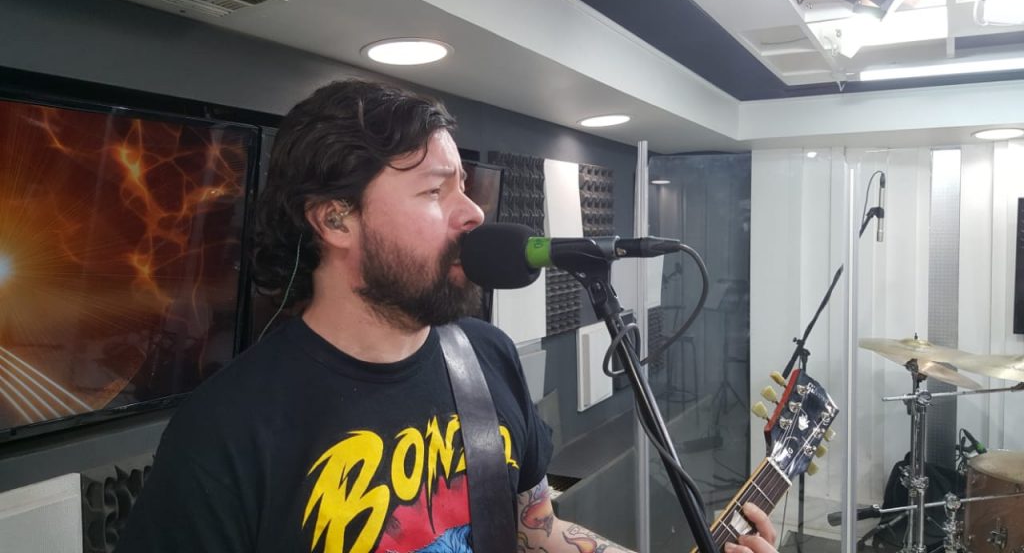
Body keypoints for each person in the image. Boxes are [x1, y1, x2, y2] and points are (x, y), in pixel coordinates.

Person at [117, 78, 778, 553]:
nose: (473, 212)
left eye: (463, 184)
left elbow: (537, 530)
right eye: (435, 190)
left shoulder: (485, 357)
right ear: (335, 219)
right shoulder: (225, 431)